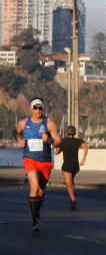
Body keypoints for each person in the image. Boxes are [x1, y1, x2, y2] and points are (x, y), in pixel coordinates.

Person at [13, 97, 62, 232]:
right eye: (35, 108)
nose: (38, 110)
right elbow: (16, 132)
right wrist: (19, 140)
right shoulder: (24, 123)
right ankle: (35, 220)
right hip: (29, 158)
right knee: (34, 187)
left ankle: (37, 215)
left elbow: (59, 141)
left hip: (45, 160)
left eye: (40, 108)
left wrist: (50, 140)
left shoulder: (49, 123)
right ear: (31, 109)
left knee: (41, 190)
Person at [55, 126, 88, 209]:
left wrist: (61, 148)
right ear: (75, 133)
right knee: (71, 181)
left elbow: (56, 152)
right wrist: (83, 159)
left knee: (68, 183)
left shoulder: (63, 141)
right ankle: (71, 199)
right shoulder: (78, 141)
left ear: (67, 133)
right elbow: (85, 147)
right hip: (75, 164)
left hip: (67, 164)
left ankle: (73, 199)